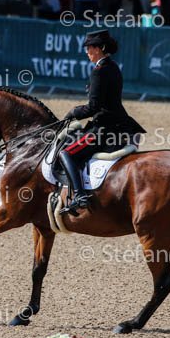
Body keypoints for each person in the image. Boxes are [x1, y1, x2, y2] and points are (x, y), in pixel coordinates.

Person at [59, 30, 146, 216]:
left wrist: (73, 112)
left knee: (66, 153)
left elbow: (93, 107)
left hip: (104, 129)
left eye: (89, 48)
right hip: (120, 124)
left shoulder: (99, 72)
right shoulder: (113, 67)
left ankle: (80, 195)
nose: (87, 52)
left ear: (100, 48)